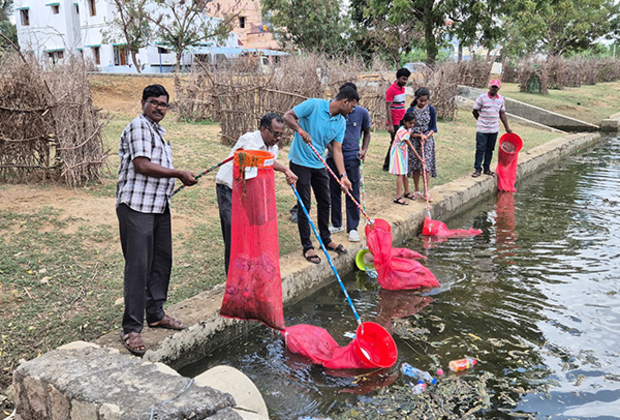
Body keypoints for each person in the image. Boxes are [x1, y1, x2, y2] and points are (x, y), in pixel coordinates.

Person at [116, 84, 198, 356]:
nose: (159, 108)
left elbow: (156, 168)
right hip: (136, 207)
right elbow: (142, 165)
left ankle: (155, 313)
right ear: (143, 103)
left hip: (159, 207)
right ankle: (131, 328)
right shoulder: (138, 126)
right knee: (138, 266)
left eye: (163, 104)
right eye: (154, 102)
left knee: (162, 262)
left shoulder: (160, 132)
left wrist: (178, 178)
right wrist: (178, 173)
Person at [215, 112, 298, 274]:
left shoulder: (273, 147)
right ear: (263, 129)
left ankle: (249, 269)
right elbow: (259, 158)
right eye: (275, 133)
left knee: (251, 229)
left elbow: (265, 168)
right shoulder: (249, 139)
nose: (278, 138)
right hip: (229, 188)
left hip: (249, 190)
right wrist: (285, 169)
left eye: (281, 134)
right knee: (233, 231)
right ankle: (233, 276)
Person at [283, 87, 358, 264]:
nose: (352, 111)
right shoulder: (314, 105)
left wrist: (343, 176)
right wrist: (300, 131)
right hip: (300, 162)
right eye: (352, 107)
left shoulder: (341, 122)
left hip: (319, 163)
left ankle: (325, 238)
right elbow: (287, 116)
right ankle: (307, 246)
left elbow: (337, 150)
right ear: (345, 102)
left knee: (325, 201)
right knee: (305, 204)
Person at [326, 82, 371, 242]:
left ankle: (353, 227)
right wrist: (331, 149)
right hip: (333, 157)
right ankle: (337, 223)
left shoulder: (362, 113)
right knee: (334, 191)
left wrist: (364, 150)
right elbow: (324, 134)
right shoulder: (333, 111)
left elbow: (367, 133)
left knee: (352, 191)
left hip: (352, 157)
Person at [472, 79, 512, 178]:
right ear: (489, 87)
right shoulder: (482, 98)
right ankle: (477, 169)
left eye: (496, 87)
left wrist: (507, 128)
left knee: (490, 149)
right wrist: (480, 120)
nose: (493, 89)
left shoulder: (501, 99)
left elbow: (502, 113)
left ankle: (487, 169)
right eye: (492, 87)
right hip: (482, 129)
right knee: (480, 149)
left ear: (499, 88)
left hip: (494, 129)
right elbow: (475, 111)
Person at [406, 87, 438, 201]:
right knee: (416, 166)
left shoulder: (431, 110)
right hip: (414, 140)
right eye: (421, 101)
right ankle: (417, 190)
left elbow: (433, 127)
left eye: (425, 101)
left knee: (426, 165)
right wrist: (418, 136)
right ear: (417, 99)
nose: (423, 103)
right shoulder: (410, 111)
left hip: (427, 141)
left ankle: (426, 191)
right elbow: (407, 130)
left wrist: (426, 137)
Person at [382, 67, 411, 171]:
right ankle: (388, 165)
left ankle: (389, 165)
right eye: (403, 79)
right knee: (396, 143)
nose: (405, 81)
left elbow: (401, 105)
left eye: (406, 79)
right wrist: (390, 124)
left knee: (396, 143)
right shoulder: (391, 90)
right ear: (398, 78)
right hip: (394, 121)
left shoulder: (402, 89)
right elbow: (388, 107)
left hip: (402, 120)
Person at [389, 112, 416, 205]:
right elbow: (411, 146)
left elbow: (411, 135)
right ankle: (398, 197)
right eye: (410, 123)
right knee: (400, 174)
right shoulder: (402, 131)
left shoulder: (408, 129)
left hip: (403, 152)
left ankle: (407, 192)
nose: (411, 125)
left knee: (405, 173)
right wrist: (420, 159)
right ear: (404, 122)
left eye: (413, 123)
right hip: (397, 152)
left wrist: (421, 136)